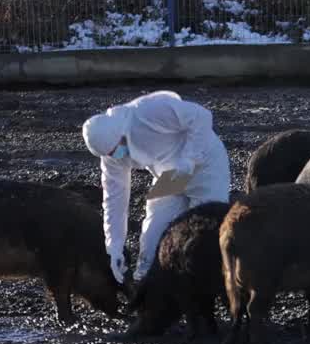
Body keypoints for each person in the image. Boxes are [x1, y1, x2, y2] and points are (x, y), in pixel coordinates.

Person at [81, 90, 231, 285]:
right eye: (109, 153)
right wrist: (114, 246)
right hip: (169, 175)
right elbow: (114, 199)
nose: (116, 155)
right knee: (153, 233)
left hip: (206, 165)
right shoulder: (112, 157)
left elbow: (201, 116)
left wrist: (189, 158)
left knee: (208, 228)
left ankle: (214, 283)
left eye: (116, 148)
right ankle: (146, 283)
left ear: (121, 133)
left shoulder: (147, 112)